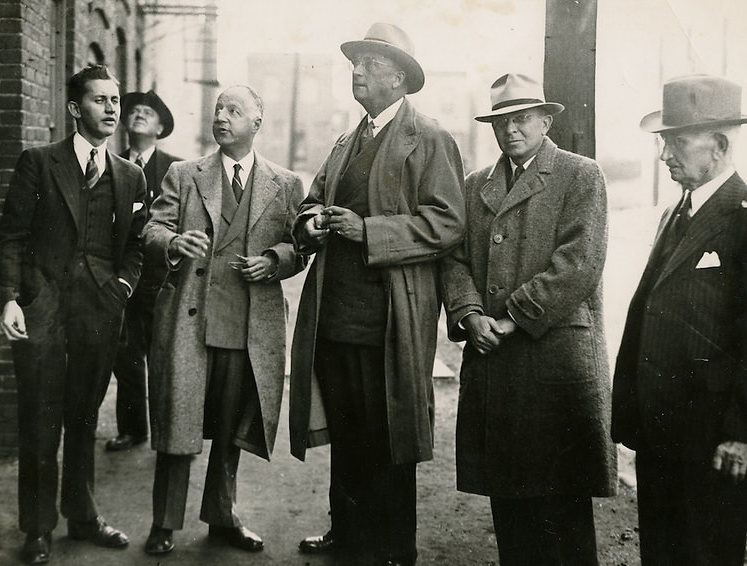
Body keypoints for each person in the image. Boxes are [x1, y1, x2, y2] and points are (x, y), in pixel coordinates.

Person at [289, 22, 465, 566]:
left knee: (388, 438)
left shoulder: (430, 139)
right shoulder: (346, 141)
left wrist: (369, 230)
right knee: (347, 433)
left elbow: (447, 223)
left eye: (370, 63)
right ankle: (347, 532)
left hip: (391, 320)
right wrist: (310, 224)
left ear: (401, 78)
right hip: (336, 316)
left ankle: (391, 549)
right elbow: (311, 202)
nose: (357, 71)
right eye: (354, 63)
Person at [441, 73, 618, 566]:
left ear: (545, 120)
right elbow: (453, 259)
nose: (511, 130)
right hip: (494, 362)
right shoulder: (476, 185)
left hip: (554, 361)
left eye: (521, 119)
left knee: (563, 505)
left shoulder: (580, 175)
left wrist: (513, 317)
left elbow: (580, 262)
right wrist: (469, 312)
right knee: (510, 503)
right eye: (501, 121)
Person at [141, 84, 305, 556]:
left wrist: (274, 260)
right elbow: (153, 227)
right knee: (179, 425)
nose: (222, 116)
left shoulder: (285, 183)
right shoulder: (184, 173)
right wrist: (172, 243)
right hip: (191, 321)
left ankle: (222, 516)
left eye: (234, 110)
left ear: (257, 122)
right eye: (218, 109)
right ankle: (164, 522)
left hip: (247, 326)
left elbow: (301, 250)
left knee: (231, 427)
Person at [0, 64, 147, 565]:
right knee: (41, 419)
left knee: (84, 417)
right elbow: (13, 237)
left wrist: (122, 288)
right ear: (74, 108)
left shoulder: (130, 174)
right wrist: (12, 298)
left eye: (115, 100)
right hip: (43, 308)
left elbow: (136, 247)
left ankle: (82, 515)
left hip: (99, 312)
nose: (111, 109)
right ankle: (37, 528)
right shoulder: (39, 163)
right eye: (100, 100)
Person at [612, 74, 747, 565]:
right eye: (663, 142)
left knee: (707, 551)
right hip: (661, 431)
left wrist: (740, 432)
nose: (665, 156)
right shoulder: (677, 212)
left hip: (710, 437)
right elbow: (647, 312)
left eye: (676, 141)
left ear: (719, 144)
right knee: (663, 550)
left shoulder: (742, 216)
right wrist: (628, 410)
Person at [105, 90, 183, 452]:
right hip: (123, 278)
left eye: (147, 113)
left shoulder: (176, 169)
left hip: (163, 279)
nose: (137, 115)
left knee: (166, 358)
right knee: (126, 355)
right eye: (133, 111)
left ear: (161, 126)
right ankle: (133, 428)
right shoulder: (109, 163)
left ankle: (170, 433)